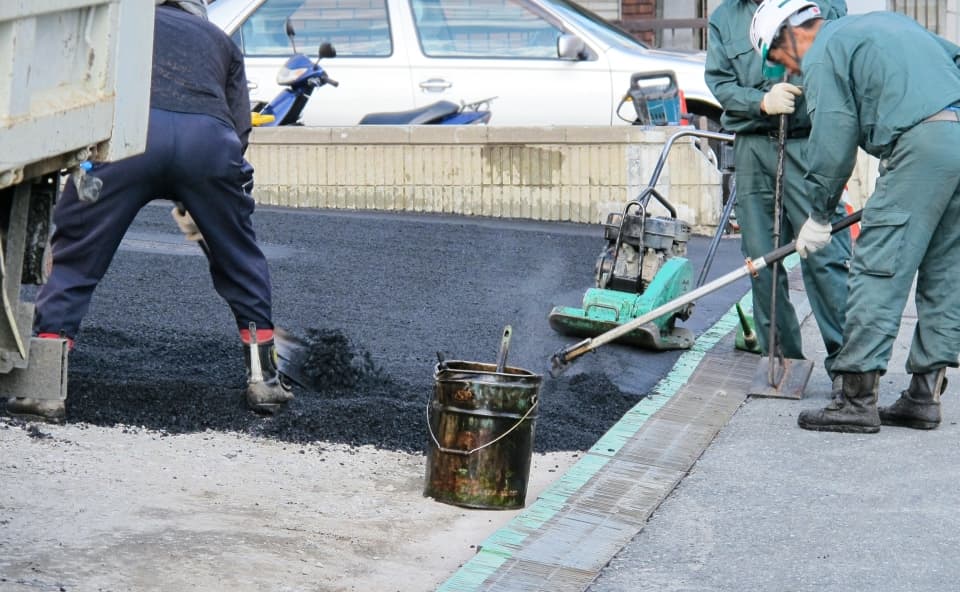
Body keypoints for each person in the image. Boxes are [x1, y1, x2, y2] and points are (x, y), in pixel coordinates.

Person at [5, 0, 292, 423]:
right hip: (209, 146)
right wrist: (211, 193)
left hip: (129, 138)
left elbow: (79, 91)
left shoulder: (118, 22)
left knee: (77, 255)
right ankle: (264, 378)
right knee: (239, 255)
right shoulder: (220, 40)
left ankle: (45, 388)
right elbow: (238, 128)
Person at [750, 0, 960, 432]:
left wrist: (819, 214)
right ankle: (924, 397)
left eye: (779, 58)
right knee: (944, 271)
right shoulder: (884, 24)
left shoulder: (824, 51)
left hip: (919, 144)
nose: (788, 69)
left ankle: (855, 400)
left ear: (793, 32)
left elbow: (833, 140)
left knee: (877, 266)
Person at [705, 0, 852, 398]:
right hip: (753, 146)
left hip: (807, 143)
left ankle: (849, 368)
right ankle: (781, 357)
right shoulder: (725, 18)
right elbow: (720, 83)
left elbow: (839, 62)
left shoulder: (820, 4)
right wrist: (760, 102)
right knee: (761, 258)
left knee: (825, 254)